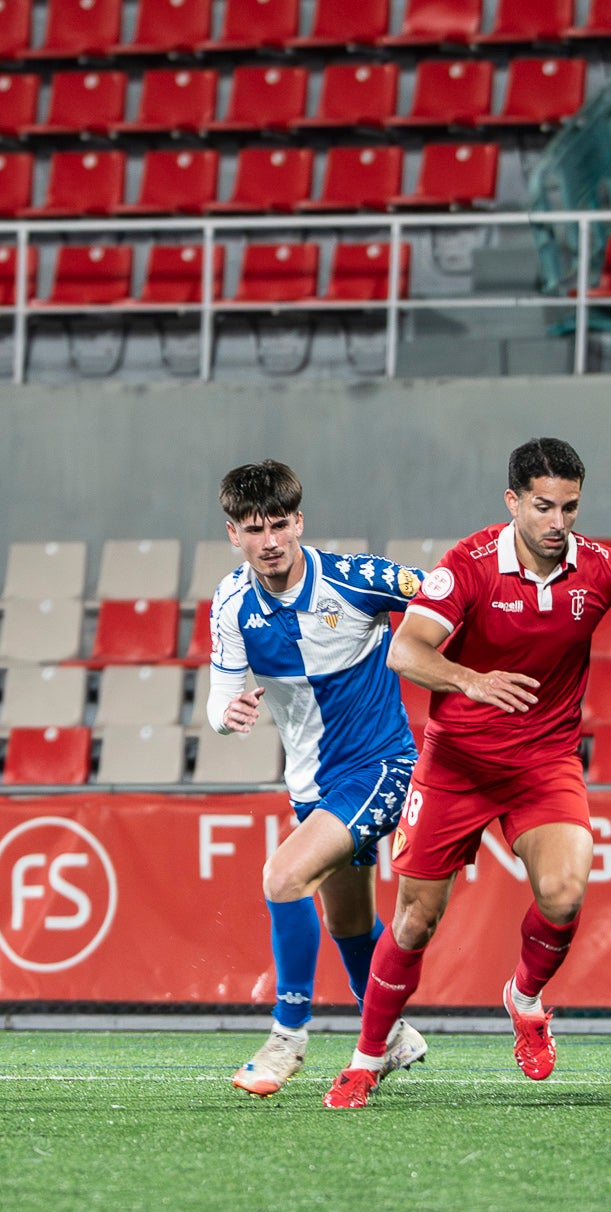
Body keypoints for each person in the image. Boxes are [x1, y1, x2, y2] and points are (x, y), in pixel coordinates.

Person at [322, 438, 611, 1109]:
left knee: (567, 891)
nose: (557, 521)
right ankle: (366, 1059)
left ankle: (524, 998)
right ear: (512, 500)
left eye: (569, 506)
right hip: (455, 765)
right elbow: (406, 649)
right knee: (413, 925)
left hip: (543, 764)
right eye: (543, 505)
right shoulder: (467, 567)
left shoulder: (602, 568)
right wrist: (470, 680)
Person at [205, 460, 428, 1098]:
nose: (270, 540)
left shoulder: (359, 580)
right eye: (255, 528)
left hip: (383, 765)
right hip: (311, 785)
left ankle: (288, 1037)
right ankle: (389, 1036)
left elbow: (444, 593)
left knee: (282, 877)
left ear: (299, 520)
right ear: (234, 534)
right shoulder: (231, 603)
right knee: (349, 924)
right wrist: (229, 714)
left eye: (280, 523)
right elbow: (220, 700)